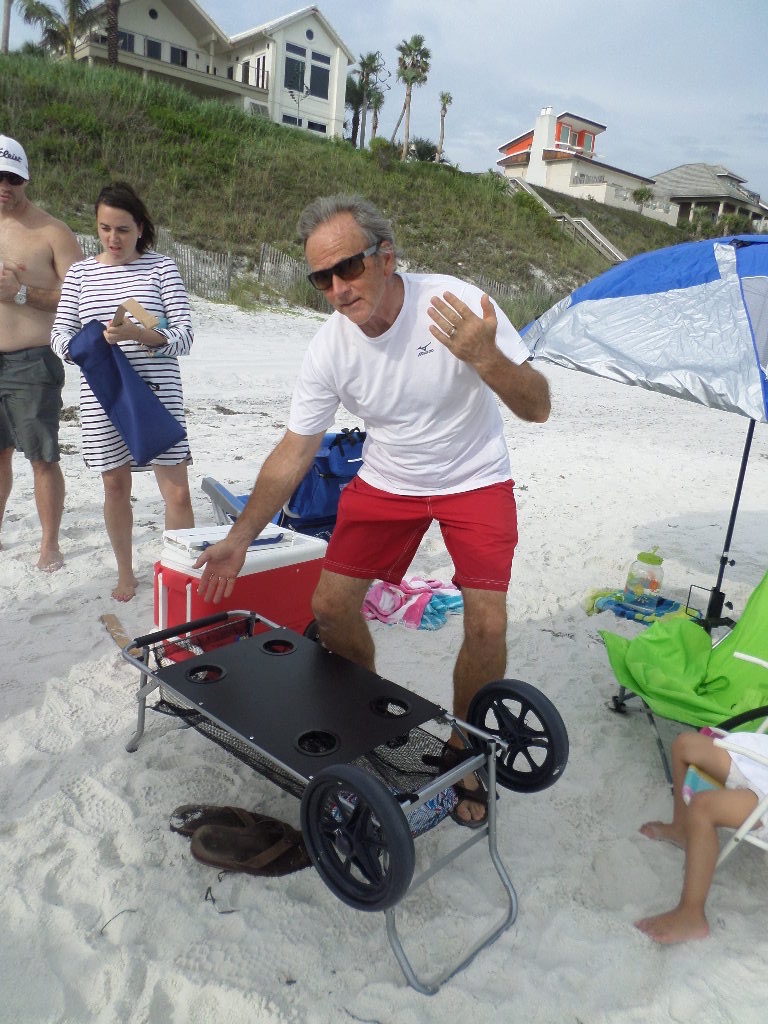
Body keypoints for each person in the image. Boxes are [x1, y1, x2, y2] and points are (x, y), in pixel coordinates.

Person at [194, 193, 550, 825]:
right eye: (320, 278)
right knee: (329, 608)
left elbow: (538, 406)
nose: (336, 288)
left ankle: (466, 749)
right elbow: (295, 449)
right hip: (388, 480)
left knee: (488, 624)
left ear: (388, 258)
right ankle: (365, 716)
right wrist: (241, 534)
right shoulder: (330, 348)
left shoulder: (456, 305)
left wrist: (485, 357)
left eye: (348, 268)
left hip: (475, 478)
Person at [51, 181, 194, 601]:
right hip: (104, 395)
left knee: (178, 491)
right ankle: (126, 573)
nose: (113, 239)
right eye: (105, 228)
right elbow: (60, 334)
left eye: (123, 229)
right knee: (115, 486)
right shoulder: (80, 273)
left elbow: (184, 337)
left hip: (157, 393)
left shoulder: (162, 268)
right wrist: (84, 349)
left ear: (141, 228)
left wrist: (140, 334)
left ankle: (177, 574)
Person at [0, 134, 83, 570]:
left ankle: (49, 544)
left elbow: (84, 295)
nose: (4, 186)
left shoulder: (51, 232)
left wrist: (21, 293)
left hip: (31, 360)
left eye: (12, 178)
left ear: (26, 178)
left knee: (42, 456)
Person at [636, 727, 768, 944]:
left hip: (764, 798)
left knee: (703, 807)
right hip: (759, 763)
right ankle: (681, 830)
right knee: (684, 745)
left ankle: (691, 914)